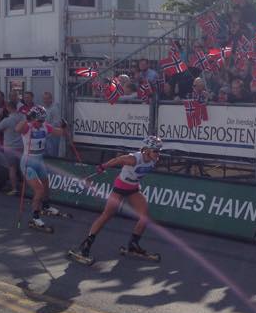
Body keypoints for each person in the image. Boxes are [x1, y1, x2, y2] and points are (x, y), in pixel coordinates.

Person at [72, 135, 163, 264]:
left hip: (134, 189)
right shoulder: (133, 159)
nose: (158, 154)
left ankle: (133, 245)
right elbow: (117, 160)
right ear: (147, 150)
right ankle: (86, 245)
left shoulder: (154, 159)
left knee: (145, 217)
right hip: (120, 188)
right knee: (107, 215)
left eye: (159, 150)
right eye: (156, 150)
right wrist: (103, 166)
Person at [15, 105, 68, 231]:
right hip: (28, 163)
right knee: (39, 190)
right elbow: (17, 129)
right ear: (33, 118)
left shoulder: (45, 126)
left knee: (46, 184)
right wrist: (27, 119)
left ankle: (46, 206)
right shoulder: (27, 127)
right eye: (38, 120)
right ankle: (35, 217)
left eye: (42, 120)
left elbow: (61, 133)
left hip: (39, 161)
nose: (40, 123)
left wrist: (64, 126)